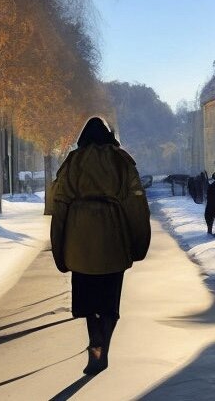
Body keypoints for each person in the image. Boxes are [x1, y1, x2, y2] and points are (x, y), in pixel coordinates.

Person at [50, 117, 151, 375]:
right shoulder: (122, 162)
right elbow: (136, 207)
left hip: (78, 243)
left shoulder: (71, 163)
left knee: (87, 302)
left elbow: (59, 207)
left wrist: (59, 250)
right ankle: (103, 344)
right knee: (109, 301)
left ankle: (95, 342)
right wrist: (139, 244)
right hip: (113, 240)